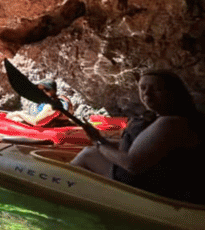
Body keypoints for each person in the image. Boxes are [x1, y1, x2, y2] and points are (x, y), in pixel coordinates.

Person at [70, 70, 205, 204]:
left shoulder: (170, 123)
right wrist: (100, 140)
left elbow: (132, 164)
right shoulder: (169, 118)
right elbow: (144, 147)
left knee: (88, 155)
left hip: (156, 188)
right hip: (157, 178)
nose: (147, 93)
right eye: (143, 88)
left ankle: (70, 194)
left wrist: (99, 144)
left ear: (173, 93)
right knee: (91, 151)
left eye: (156, 89)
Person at [6, 78, 74, 126]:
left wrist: (18, 114)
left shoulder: (52, 106)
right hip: (53, 122)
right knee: (15, 115)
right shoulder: (59, 98)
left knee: (15, 118)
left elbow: (36, 122)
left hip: (49, 129)